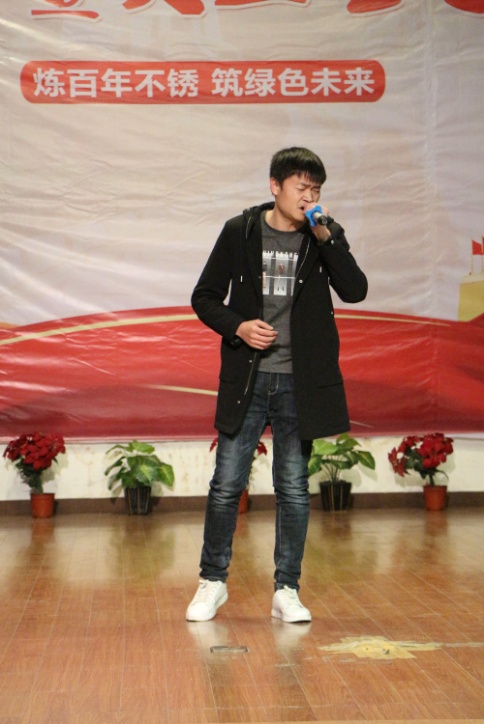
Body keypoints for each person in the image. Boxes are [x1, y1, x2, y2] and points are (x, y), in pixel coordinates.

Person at [186, 147, 368, 623]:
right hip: (248, 378)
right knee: (226, 485)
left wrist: (328, 237)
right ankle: (212, 582)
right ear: (275, 186)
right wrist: (239, 327)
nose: (309, 197)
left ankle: (287, 589)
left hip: (298, 382)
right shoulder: (241, 231)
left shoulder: (322, 235)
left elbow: (356, 290)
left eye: (316, 190)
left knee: (293, 488)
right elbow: (204, 297)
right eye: (301, 188)